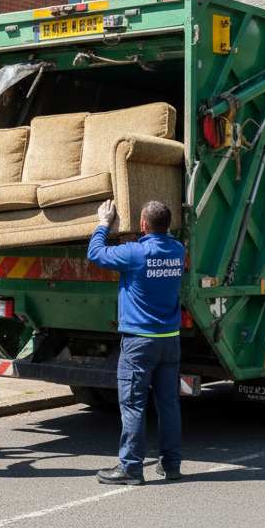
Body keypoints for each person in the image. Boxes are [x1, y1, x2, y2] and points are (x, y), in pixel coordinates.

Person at [88, 198, 185, 486]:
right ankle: (171, 465)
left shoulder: (134, 253)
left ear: (143, 225)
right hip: (169, 340)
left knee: (133, 404)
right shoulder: (178, 250)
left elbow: (96, 253)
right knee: (169, 405)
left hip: (139, 341)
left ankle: (130, 467)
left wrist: (104, 222)